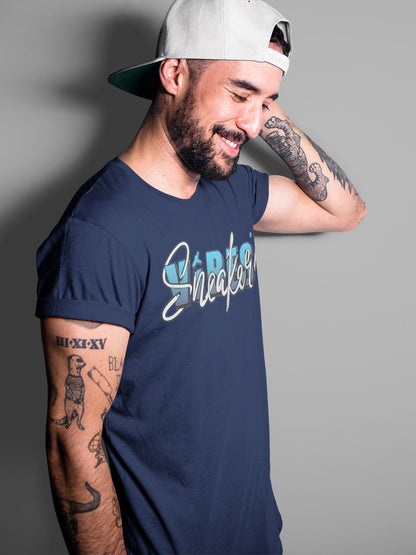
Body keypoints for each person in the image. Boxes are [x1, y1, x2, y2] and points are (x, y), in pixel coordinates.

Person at [36, 0, 366, 553]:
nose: (253, 125)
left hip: (253, 534)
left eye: (267, 102)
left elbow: (346, 211)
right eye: (238, 94)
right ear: (174, 74)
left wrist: (258, 103)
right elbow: (73, 443)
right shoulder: (99, 233)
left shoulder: (231, 190)